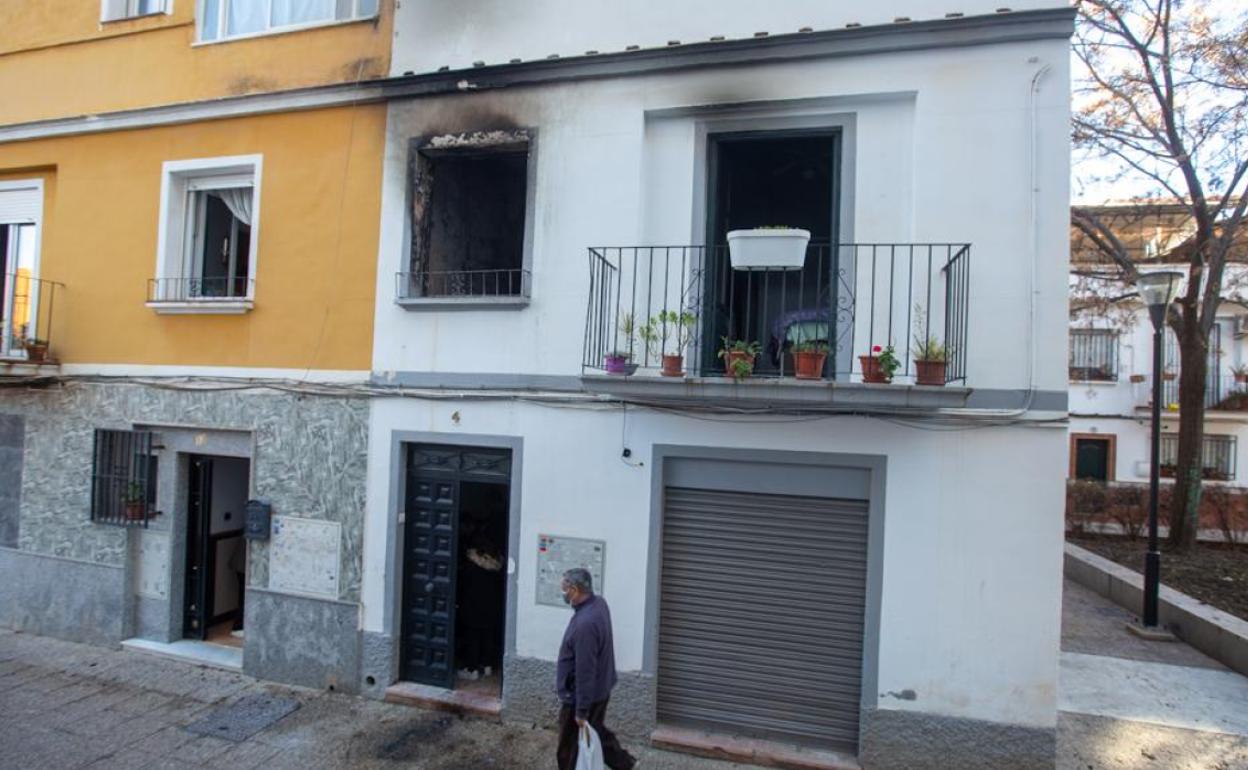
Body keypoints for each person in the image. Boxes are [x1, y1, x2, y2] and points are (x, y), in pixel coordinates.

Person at [555, 568, 636, 770]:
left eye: (564, 589)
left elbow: (585, 671)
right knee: (596, 731)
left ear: (574, 590)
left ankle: (623, 763)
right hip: (600, 689)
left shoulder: (585, 625)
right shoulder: (599, 604)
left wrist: (581, 712)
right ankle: (625, 764)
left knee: (567, 748)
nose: (563, 593)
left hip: (582, 697)